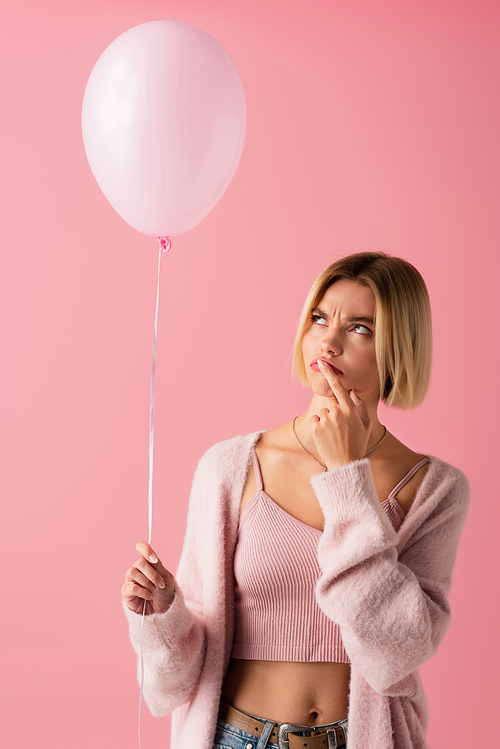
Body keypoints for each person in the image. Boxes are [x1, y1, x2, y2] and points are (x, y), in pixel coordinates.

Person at [121, 252, 469, 749]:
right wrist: (163, 615)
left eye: (360, 328)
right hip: (236, 738)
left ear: (398, 348)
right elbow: (176, 680)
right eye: (319, 318)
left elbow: (400, 649)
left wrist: (346, 478)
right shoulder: (230, 467)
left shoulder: (434, 489)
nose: (327, 341)